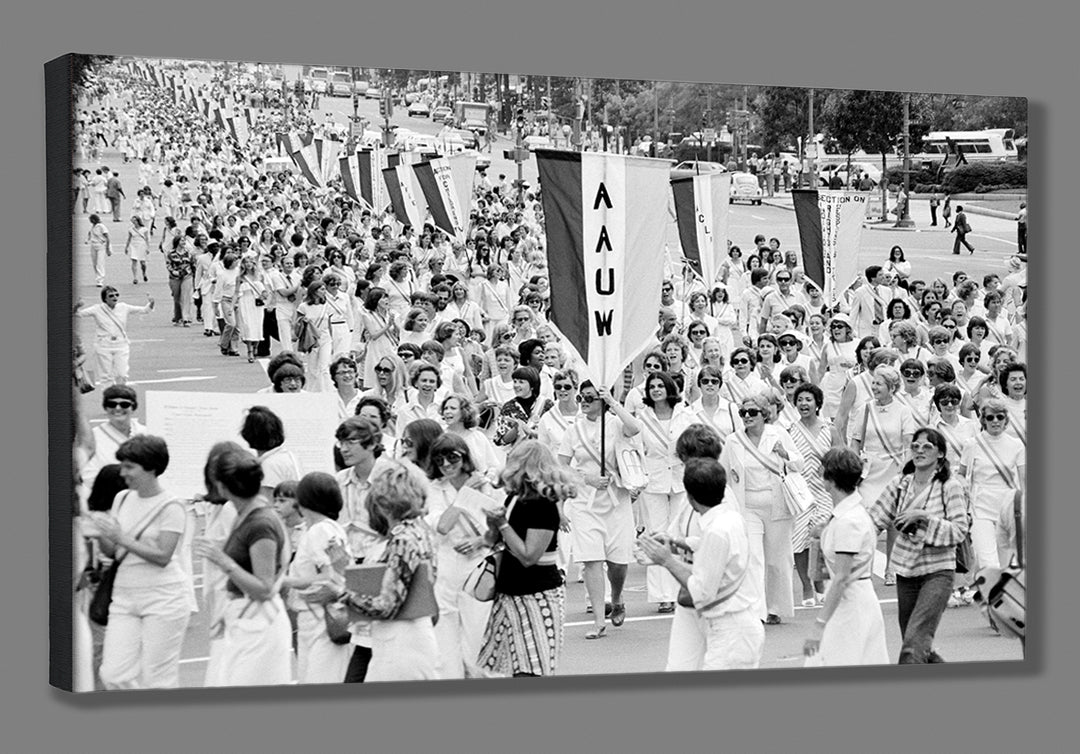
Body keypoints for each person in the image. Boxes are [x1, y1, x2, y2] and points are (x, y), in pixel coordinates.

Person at [638, 458, 764, 671]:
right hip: (737, 625)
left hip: (730, 630)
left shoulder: (716, 531)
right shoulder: (729, 519)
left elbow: (702, 590)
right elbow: (708, 564)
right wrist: (676, 546)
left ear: (689, 497)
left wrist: (667, 560)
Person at [90, 435, 192, 689]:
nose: (122, 473)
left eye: (129, 467)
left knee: (158, 677)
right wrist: (99, 532)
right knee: (113, 674)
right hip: (124, 595)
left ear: (151, 468)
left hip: (164, 597)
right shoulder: (122, 498)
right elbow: (114, 551)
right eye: (122, 465)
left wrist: (120, 537)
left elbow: (163, 557)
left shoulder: (172, 506)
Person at [868, 429, 970, 663]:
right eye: (915, 446)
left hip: (938, 572)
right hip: (906, 572)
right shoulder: (900, 484)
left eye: (927, 447)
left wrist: (923, 517)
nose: (920, 451)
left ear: (940, 454)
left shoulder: (949, 486)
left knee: (913, 646)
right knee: (915, 644)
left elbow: (959, 530)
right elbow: (874, 520)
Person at [194, 447, 292, 686]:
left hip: (260, 623)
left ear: (222, 486)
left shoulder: (261, 523)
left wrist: (222, 561)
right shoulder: (248, 515)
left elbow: (264, 588)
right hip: (245, 619)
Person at [477, 440, 575, 677]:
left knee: (532, 670)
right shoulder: (514, 497)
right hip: (509, 591)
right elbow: (502, 539)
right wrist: (490, 531)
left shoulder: (543, 505)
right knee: (495, 668)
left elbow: (529, 555)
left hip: (536, 595)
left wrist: (501, 524)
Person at [340, 461, 440, 682]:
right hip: (419, 630)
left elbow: (387, 606)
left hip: (399, 640)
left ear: (384, 503)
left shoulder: (402, 539)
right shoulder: (422, 531)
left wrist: (344, 594)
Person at [558, 381, 642, 638]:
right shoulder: (574, 430)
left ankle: (616, 598)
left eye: (591, 398)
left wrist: (614, 402)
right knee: (591, 560)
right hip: (585, 503)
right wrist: (586, 479)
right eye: (582, 397)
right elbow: (561, 467)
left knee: (618, 562)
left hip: (616, 500)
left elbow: (635, 428)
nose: (584, 401)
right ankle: (597, 620)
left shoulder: (615, 424)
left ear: (602, 401)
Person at [719, 393, 805, 624]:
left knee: (778, 560)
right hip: (747, 507)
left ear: (764, 414)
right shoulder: (733, 441)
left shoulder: (778, 434)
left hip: (777, 504)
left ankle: (776, 607)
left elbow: (800, 465)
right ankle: (757, 610)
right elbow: (723, 474)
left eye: (752, 412)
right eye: (743, 412)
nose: (747, 416)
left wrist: (785, 455)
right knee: (753, 559)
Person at [803, 448, 889, 666]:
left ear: (830, 479)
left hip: (851, 605)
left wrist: (819, 624)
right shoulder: (847, 515)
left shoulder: (848, 520)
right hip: (854, 601)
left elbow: (841, 577)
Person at [424, 434, 498, 678]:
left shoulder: (485, 484)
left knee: (476, 642)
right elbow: (443, 525)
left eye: (452, 457)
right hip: (445, 570)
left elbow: (500, 527)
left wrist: (480, 540)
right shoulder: (434, 489)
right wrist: (464, 493)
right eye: (439, 459)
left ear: (464, 457)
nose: (446, 464)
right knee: (445, 649)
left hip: (478, 570)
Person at [282, 472, 353, 684]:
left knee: (317, 676)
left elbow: (328, 576)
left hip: (317, 615)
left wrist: (284, 581)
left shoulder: (319, 531)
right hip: (325, 614)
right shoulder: (330, 527)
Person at [637, 371, 695, 613]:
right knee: (656, 533)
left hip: (681, 479)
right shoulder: (642, 417)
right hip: (654, 480)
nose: (657, 390)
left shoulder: (685, 413)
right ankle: (662, 595)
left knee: (678, 534)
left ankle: (681, 586)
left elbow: (694, 443)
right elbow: (637, 449)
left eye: (661, 385)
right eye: (652, 386)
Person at [959, 400, 1026, 572]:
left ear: (1005, 419)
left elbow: (1024, 481)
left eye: (999, 417)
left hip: (1009, 510)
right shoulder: (972, 444)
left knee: (1009, 562)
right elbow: (961, 474)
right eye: (990, 417)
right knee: (988, 562)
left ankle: (1002, 597)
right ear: (983, 420)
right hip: (980, 508)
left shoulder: (1017, 445)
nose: (995, 421)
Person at [788, 383, 839, 606]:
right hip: (800, 492)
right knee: (799, 541)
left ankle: (820, 582)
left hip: (824, 490)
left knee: (822, 537)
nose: (804, 404)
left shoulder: (830, 429)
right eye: (800, 400)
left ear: (817, 403)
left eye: (808, 399)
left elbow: (841, 456)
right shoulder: (790, 431)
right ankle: (807, 587)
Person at [74, 287, 155, 386]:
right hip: (103, 345)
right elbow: (77, 314)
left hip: (121, 344)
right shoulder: (96, 309)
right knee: (106, 376)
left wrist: (151, 303)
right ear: (105, 298)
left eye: (116, 295)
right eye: (111, 296)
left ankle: (120, 393)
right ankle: (108, 397)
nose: (115, 297)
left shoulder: (124, 307)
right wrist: (76, 306)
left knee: (122, 374)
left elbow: (145, 310)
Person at [124, 215, 151, 285]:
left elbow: (147, 239)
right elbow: (129, 238)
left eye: (135, 220)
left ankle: (144, 273)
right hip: (134, 245)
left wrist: (148, 247)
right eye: (133, 221)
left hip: (142, 245)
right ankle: (135, 277)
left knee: (143, 263)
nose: (134, 222)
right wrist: (126, 247)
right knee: (134, 261)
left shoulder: (144, 229)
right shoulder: (131, 229)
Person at [87, 214, 111, 287]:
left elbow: (107, 237)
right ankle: (97, 276)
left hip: (101, 245)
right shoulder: (93, 227)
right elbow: (89, 233)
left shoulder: (101, 226)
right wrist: (88, 239)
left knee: (100, 263)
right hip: (93, 245)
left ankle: (100, 280)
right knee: (94, 263)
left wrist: (108, 248)